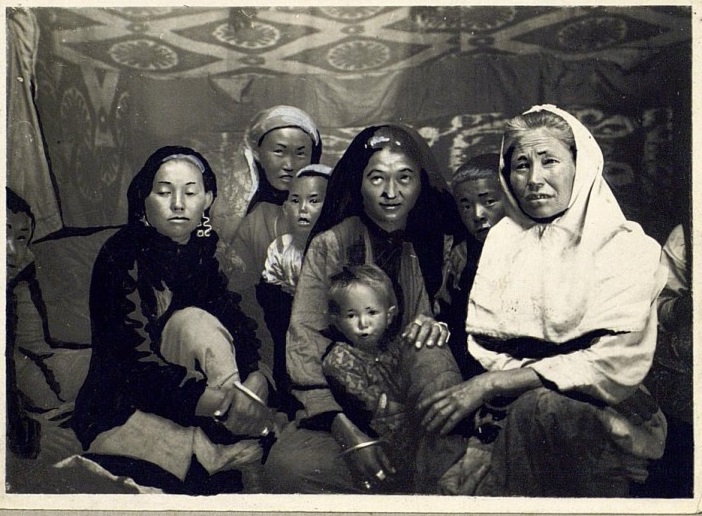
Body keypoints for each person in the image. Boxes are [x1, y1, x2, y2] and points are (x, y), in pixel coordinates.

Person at [419, 105, 668, 497]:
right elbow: (492, 349)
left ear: (579, 166)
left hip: (607, 407)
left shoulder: (627, 246)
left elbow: (609, 364)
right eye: (522, 165)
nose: (534, 179)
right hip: (508, 406)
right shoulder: (503, 242)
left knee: (542, 412)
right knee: (448, 475)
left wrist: (491, 385)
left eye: (549, 161)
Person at [263, 124, 465, 494]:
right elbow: (305, 342)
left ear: (420, 183)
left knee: (430, 349)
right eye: (377, 178)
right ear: (359, 183)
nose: (391, 193)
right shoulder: (331, 244)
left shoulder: (437, 241)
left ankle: (430, 488)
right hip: (351, 400)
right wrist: (348, 434)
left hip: (416, 398)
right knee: (286, 469)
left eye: (404, 178)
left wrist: (436, 325)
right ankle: (404, 470)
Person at [71, 146, 275, 494]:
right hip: (128, 401)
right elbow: (130, 361)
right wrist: (225, 404)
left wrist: (257, 377)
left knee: (197, 324)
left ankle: (226, 435)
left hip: (202, 400)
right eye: (164, 192)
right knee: (192, 323)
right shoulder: (122, 253)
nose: (178, 204)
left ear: (208, 199)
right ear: (144, 199)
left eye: (190, 193)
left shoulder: (209, 250)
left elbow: (242, 325)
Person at [6, 187, 90, 492]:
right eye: (3, 232)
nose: (13, 250)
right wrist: (30, 436)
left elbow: (32, 349)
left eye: (21, 238)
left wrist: (53, 403)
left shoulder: (15, 278)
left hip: (31, 380)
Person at [255, 164, 332, 417]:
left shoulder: (336, 248)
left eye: (314, 201)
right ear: (286, 208)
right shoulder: (281, 247)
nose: (303, 209)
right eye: (295, 200)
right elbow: (270, 287)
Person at [214, 105, 323, 279]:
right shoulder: (248, 220)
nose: (289, 165)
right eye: (279, 151)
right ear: (257, 153)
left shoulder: (328, 209)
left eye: (300, 154)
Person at [436, 153, 505, 379]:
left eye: (489, 202)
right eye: (466, 206)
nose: (477, 215)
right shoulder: (460, 256)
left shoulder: (537, 247)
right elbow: (447, 311)